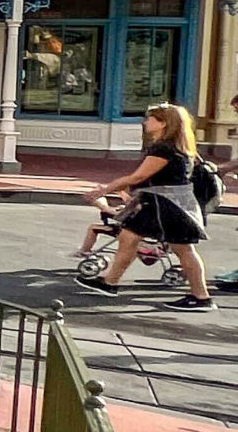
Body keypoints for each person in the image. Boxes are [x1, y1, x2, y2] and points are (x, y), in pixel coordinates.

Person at [82, 104, 215, 311]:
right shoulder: (179, 146)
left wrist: (104, 190)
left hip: (167, 206)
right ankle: (110, 282)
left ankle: (201, 297)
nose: (145, 122)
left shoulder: (164, 148)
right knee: (129, 237)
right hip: (166, 203)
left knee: (183, 249)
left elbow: (139, 176)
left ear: (163, 123)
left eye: (150, 119)